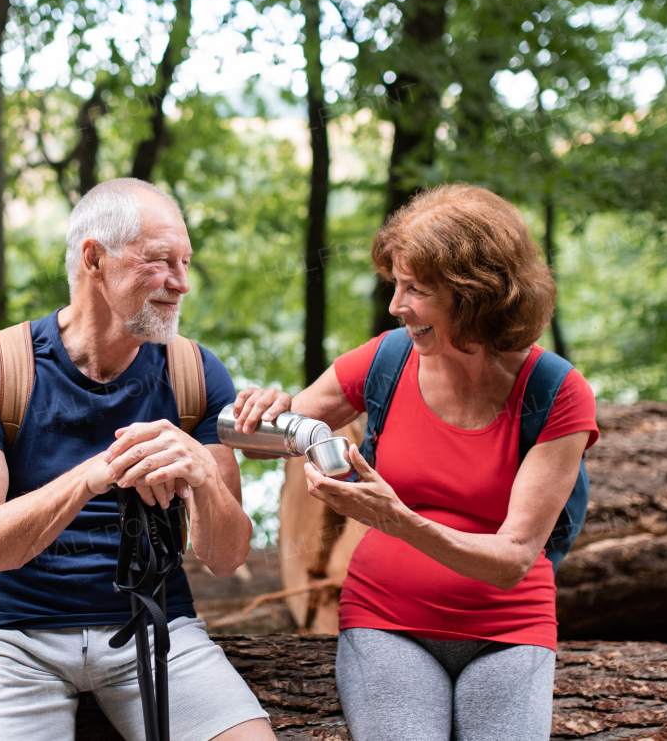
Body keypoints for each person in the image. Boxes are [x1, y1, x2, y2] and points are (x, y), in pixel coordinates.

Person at [233, 184, 598, 741]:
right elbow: (260, 439)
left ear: (474, 294)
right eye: (396, 285)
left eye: (416, 289)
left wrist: (396, 519)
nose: (395, 305)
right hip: (387, 622)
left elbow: (513, 559)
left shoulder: (556, 392)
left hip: (508, 626)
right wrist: (270, 412)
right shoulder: (387, 358)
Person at [0, 178, 275, 741]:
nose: (183, 283)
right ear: (94, 258)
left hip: (155, 627)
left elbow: (227, 556)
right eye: (161, 261)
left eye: (186, 262)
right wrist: (92, 477)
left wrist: (203, 477)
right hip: (12, 638)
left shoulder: (195, 373)